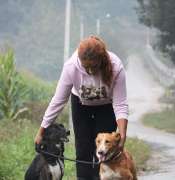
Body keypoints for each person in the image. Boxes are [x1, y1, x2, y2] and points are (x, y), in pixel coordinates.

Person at [35, 36, 129, 180]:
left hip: (106, 108)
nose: (90, 71)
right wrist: (41, 131)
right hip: (81, 106)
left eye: (94, 67)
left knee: (102, 151)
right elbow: (58, 101)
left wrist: (122, 135)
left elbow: (120, 104)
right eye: (86, 68)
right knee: (83, 150)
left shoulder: (116, 66)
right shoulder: (71, 67)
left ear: (101, 60)